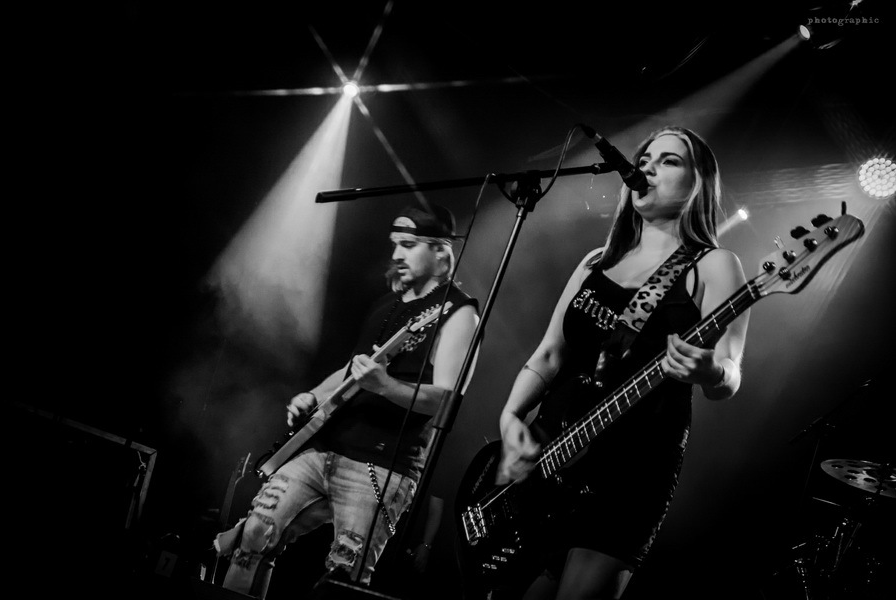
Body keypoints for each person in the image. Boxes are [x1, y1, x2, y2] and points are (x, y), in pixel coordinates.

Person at [496, 126, 750, 599]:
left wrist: (711, 371)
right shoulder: (596, 261)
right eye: (644, 159)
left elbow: (730, 370)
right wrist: (511, 416)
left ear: (698, 183)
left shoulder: (714, 265)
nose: (647, 168)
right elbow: (549, 353)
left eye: (669, 160)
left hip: (632, 471)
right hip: (554, 455)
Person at [214, 203, 479, 598]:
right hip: (323, 447)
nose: (396, 254)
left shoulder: (459, 314)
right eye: (395, 244)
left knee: (344, 577)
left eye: (408, 245)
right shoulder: (387, 305)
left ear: (441, 252)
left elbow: (447, 401)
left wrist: (385, 385)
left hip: (381, 465)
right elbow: (351, 371)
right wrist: (313, 396)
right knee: (253, 535)